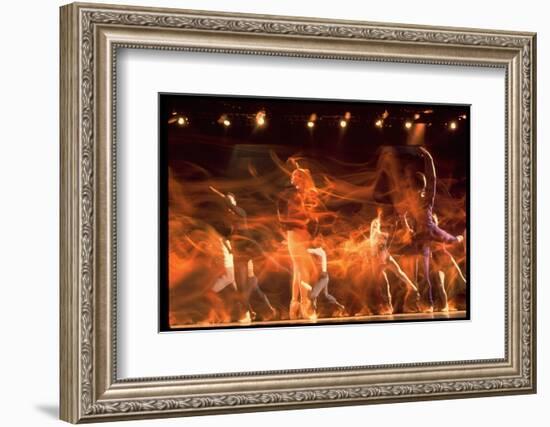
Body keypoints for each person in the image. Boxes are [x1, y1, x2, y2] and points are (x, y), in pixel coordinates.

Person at [404, 147, 464, 311]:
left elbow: (432, 179)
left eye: (412, 185)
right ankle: (429, 303)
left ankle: (429, 303)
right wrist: (410, 229)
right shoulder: (416, 199)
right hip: (424, 234)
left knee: (448, 242)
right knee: (426, 271)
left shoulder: (423, 197)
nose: (411, 189)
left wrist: (428, 158)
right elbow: (431, 180)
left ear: (417, 187)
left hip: (428, 232)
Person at [210, 187, 276, 322]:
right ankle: (250, 312)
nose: (228, 201)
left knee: (244, 287)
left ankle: (250, 312)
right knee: (241, 288)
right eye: (227, 199)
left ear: (234, 200)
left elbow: (232, 209)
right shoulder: (229, 218)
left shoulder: (241, 212)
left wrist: (226, 199)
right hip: (237, 252)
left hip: (244, 253)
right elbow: (227, 234)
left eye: (231, 198)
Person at [277, 167, 319, 320]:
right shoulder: (288, 193)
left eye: (298, 174)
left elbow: (314, 216)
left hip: (304, 234)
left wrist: (313, 233)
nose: (294, 176)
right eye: (293, 174)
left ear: (304, 178)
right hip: (294, 233)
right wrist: (285, 230)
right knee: (302, 269)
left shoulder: (310, 194)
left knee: (298, 270)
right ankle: (304, 304)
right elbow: (281, 214)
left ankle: (294, 305)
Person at [366, 212, 420, 315]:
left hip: (386, 257)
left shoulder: (382, 234)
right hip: (377, 262)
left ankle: (412, 287)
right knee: (382, 283)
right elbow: (375, 246)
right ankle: (387, 305)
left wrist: (399, 221)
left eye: (377, 225)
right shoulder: (373, 238)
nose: (377, 226)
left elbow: (389, 237)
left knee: (399, 273)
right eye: (374, 225)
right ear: (372, 227)